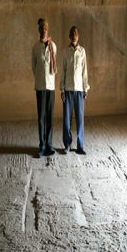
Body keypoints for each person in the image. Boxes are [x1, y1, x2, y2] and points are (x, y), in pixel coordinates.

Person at [60, 26, 90, 155]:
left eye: (76, 33)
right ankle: (67, 145)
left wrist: (85, 88)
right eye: (72, 33)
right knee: (67, 119)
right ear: (69, 35)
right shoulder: (65, 52)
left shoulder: (82, 51)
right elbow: (63, 71)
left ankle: (80, 146)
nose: (74, 35)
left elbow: (84, 71)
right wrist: (62, 89)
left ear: (78, 36)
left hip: (79, 90)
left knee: (80, 119)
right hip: (68, 90)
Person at [32, 18, 57, 157]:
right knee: (41, 117)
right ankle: (42, 145)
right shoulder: (35, 47)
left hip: (51, 86)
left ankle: (49, 144)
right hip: (41, 86)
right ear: (39, 30)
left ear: (48, 30)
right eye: (41, 29)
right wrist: (41, 78)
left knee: (50, 117)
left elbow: (53, 66)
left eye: (45, 29)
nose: (43, 31)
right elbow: (34, 67)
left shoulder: (53, 46)